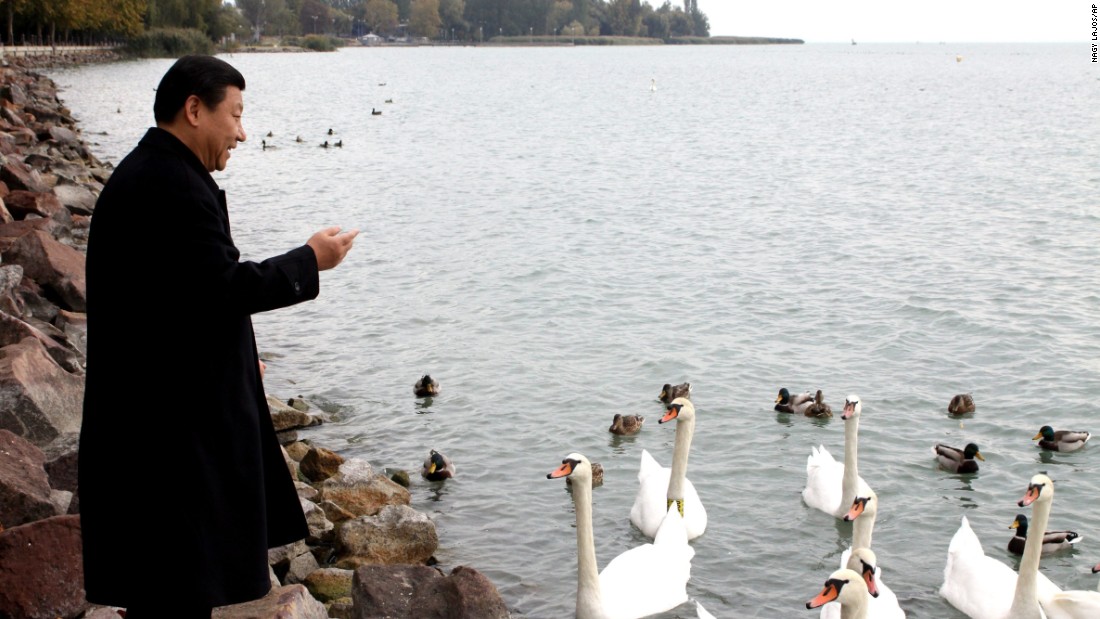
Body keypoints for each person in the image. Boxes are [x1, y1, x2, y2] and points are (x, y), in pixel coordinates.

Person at [77, 55, 359, 617]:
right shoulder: (172, 183)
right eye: (235, 114)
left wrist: (241, 353)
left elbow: (185, 298)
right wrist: (310, 260)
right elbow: (223, 287)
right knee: (177, 588)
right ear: (194, 109)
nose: (242, 131)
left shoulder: (155, 172)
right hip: (167, 439)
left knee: (166, 588)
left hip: (149, 425)